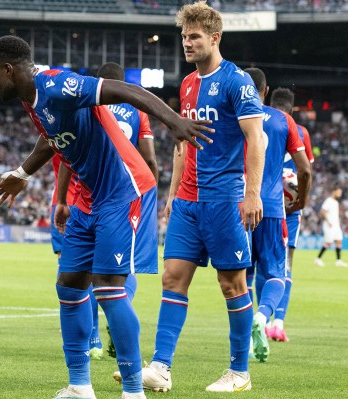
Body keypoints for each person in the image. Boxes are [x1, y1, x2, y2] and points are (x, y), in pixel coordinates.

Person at [0, 35, 212, 399]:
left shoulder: (57, 84)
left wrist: (173, 121)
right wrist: (23, 174)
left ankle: (134, 391)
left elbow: (123, 90)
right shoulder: (32, 100)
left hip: (124, 189)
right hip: (88, 197)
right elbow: (52, 138)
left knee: (108, 287)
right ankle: (79, 386)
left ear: (9, 70)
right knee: (70, 285)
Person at [139, 1, 266, 393]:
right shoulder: (188, 84)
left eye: (194, 36)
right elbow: (182, 143)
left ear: (215, 37)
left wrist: (252, 193)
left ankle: (239, 372)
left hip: (225, 200)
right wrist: (173, 193)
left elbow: (255, 139)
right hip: (189, 202)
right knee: (173, 278)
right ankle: (160, 367)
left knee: (232, 285)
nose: (186, 43)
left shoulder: (237, 81)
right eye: (183, 37)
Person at [243, 67, 311, 362]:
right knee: (277, 273)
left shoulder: (234, 115)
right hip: (272, 208)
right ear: (265, 90)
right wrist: (302, 201)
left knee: (241, 276)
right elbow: (305, 169)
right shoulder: (285, 121)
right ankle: (264, 316)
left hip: (238, 207)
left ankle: (243, 337)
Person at [97, 61, 159, 359]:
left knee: (80, 274)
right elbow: (149, 157)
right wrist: (151, 191)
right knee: (125, 266)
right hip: (129, 192)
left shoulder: (88, 104)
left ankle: (92, 342)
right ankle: (122, 339)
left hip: (90, 193)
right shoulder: (137, 110)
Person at [265, 87, 315, 342]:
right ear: (292, 108)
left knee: (257, 266)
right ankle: (278, 323)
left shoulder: (258, 120)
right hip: (290, 208)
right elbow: (305, 171)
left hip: (263, 201)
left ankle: (260, 320)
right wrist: (301, 202)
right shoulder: (300, 130)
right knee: (285, 265)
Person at [50, 155, 105, 360]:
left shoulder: (54, 132)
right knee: (94, 271)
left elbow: (41, 154)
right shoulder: (94, 130)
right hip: (97, 204)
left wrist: (21, 173)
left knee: (70, 269)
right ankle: (95, 336)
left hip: (66, 203)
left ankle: (88, 334)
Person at [314, 186, 346, 267]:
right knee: (328, 242)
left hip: (336, 225)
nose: (340, 194)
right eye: (338, 192)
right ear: (334, 191)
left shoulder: (336, 202)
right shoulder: (329, 201)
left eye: (340, 193)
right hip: (329, 225)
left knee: (339, 241)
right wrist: (328, 221)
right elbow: (323, 211)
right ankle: (318, 259)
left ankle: (338, 261)